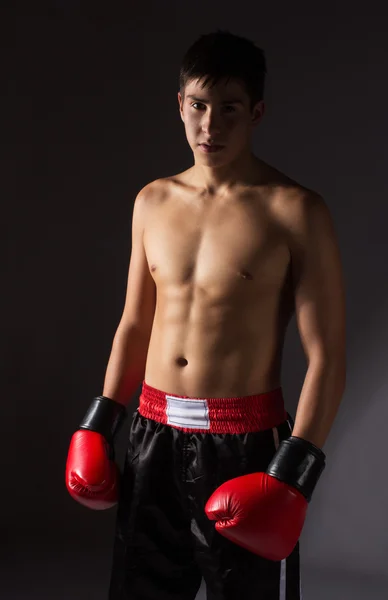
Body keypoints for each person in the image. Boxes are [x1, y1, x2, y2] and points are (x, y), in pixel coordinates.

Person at [66, 29, 346, 600]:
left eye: (229, 110)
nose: (210, 127)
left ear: (257, 112)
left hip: (243, 445)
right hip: (151, 436)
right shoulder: (153, 201)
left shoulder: (296, 212)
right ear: (180, 104)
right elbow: (134, 325)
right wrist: (102, 420)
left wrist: (294, 473)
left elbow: (328, 356)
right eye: (198, 106)